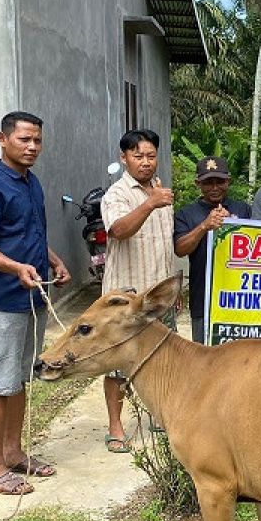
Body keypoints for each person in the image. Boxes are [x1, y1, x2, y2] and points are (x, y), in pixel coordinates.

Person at [0, 111, 71, 495]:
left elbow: (29, 234)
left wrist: (53, 260)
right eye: (24, 139)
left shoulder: (31, 182)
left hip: (32, 296)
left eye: (37, 141)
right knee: (1, 382)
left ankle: (13, 452)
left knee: (22, 377)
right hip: (3, 299)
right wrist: (15, 269)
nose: (32, 147)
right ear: (3, 139)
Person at [101, 129, 177, 452]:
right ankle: (116, 426)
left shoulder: (162, 192)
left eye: (150, 156)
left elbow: (165, 245)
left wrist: (175, 289)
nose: (145, 163)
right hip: (126, 299)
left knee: (162, 357)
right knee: (118, 363)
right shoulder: (116, 195)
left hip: (159, 298)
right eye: (138, 156)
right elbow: (118, 230)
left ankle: (160, 415)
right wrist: (150, 204)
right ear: (124, 158)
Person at [174, 156, 252, 344]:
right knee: (204, 360)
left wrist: (234, 224)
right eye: (208, 182)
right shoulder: (186, 213)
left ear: (229, 181)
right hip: (203, 299)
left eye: (220, 182)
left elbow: (259, 245)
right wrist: (204, 226)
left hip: (240, 299)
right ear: (197, 183)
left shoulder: (243, 209)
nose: (215, 187)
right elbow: (180, 249)